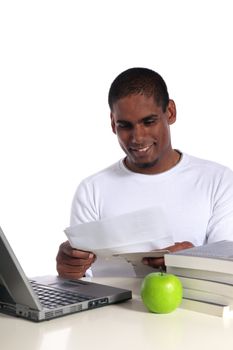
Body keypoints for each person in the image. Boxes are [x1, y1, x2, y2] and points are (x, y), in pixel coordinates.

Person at [56, 67, 233, 279]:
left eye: (149, 122)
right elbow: (82, 282)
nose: (137, 138)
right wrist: (70, 271)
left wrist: (192, 260)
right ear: (113, 123)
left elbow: (228, 270)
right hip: (109, 312)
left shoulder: (218, 181)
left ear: (170, 112)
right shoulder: (91, 190)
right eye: (125, 126)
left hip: (192, 310)